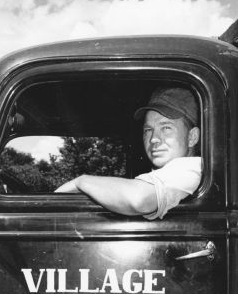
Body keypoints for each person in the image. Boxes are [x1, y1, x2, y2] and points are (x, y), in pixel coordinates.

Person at [55, 86, 202, 219]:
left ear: (192, 137)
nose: (153, 139)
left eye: (166, 128)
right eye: (148, 130)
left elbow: (139, 199)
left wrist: (80, 182)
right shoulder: (166, 174)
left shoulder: (192, 167)